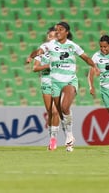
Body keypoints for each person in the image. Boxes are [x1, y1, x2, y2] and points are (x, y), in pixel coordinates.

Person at [26, 21, 99, 152]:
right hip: (51, 82)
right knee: (53, 112)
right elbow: (37, 58)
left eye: (59, 30)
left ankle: (69, 136)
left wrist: (94, 66)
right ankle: (53, 138)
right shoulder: (48, 47)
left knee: (62, 108)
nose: (55, 33)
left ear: (66, 32)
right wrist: (31, 56)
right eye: (54, 31)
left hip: (69, 80)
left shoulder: (72, 46)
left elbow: (86, 58)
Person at [31, 26, 61, 150]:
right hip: (46, 83)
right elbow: (35, 68)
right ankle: (51, 138)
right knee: (50, 113)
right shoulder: (41, 51)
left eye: (53, 35)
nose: (50, 37)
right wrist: (48, 66)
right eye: (49, 35)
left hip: (58, 83)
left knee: (55, 111)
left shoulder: (61, 51)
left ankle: (54, 140)